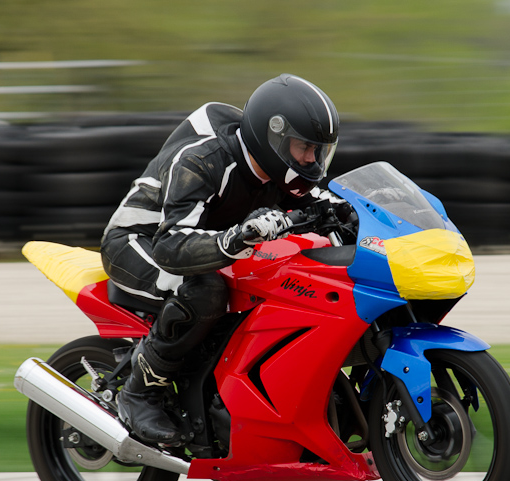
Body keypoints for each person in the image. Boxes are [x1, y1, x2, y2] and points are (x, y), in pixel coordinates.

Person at [100, 74, 349, 446]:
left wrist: (356, 214)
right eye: (303, 148)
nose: (312, 160)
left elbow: (328, 207)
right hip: (140, 243)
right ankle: (140, 392)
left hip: (204, 247)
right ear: (273, 140)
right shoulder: (202, 160)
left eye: (319, 150)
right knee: (205, 292)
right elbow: (171, 245)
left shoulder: (283, 173)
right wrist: (235, 238)